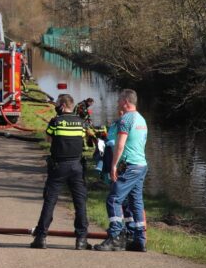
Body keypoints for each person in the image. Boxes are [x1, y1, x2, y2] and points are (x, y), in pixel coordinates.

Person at [31, 93, 89, 250]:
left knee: (50, 201)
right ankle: (82, 240)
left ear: (62, 106)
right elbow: (83, 139)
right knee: (80, 202)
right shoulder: (80, 123)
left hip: (58, 166)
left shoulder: (55, 121)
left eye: (57, 104)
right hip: (77, 166)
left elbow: (48, 139)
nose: (55, 106)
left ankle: (41, 238)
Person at [95, 89, 148, 252]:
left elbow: (120, 144)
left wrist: (113, 166)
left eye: (119, 100)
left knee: (113, 199)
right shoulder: (141, 119)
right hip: (141, 165)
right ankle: (138, 240)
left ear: (125, 101)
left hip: (129, 166)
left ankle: (115, 237)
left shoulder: (125, 119)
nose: (117, 103)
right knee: (136, 202)